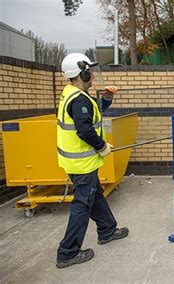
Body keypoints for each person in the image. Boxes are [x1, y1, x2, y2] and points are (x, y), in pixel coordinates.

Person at [56, 53, 128, 268]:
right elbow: (85, 129)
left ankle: (107, 230)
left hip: (80, 162)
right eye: (90, 71)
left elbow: (91, 115)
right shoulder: (78, 99)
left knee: (94, 195)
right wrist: (102, 146)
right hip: (82, 163)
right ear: (82, 73)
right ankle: (67, 252)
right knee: (82, 203)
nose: (94, 75)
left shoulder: (75, 95)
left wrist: (106, 99)